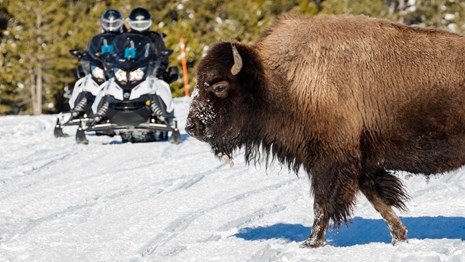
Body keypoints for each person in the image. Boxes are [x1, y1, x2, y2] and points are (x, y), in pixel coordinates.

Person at [127, 7, 170, 80]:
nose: (140, 28)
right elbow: (117, 54)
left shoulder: (155, 37)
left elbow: (162, 54)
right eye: (136, 25)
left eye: (144, 24)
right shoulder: (126, 38)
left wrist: (160, 69)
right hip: (128, 74)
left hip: (150, 74)